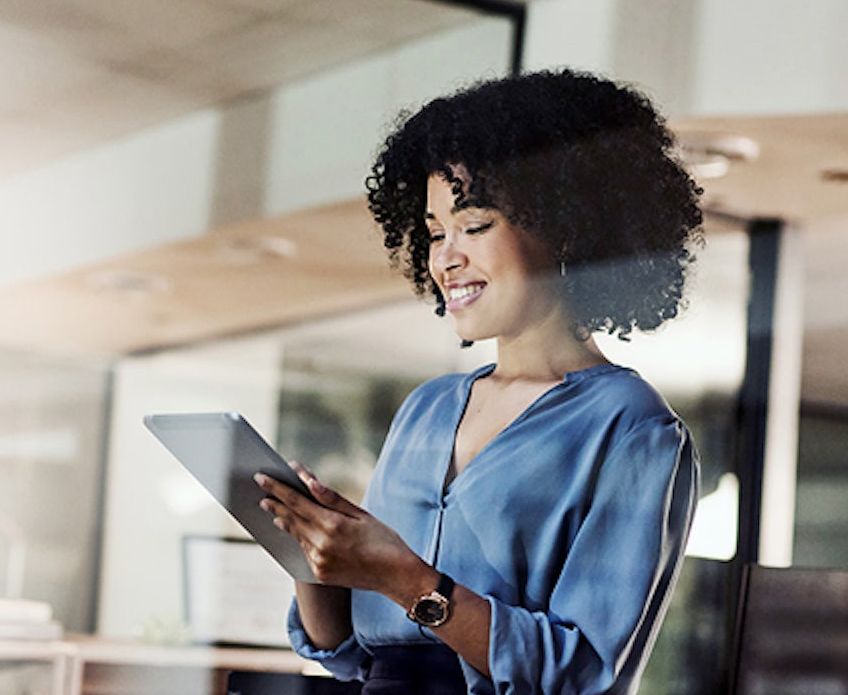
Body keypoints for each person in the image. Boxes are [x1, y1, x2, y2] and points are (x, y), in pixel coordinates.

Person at [256, 69, 702, 695]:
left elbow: (581, 675)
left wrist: (405, 578)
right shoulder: (426, 409)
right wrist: (311, 552)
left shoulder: (631, 427)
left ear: (565, 224)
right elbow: (349, 653)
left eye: (475, 224)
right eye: (436, 232)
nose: (445, 257)